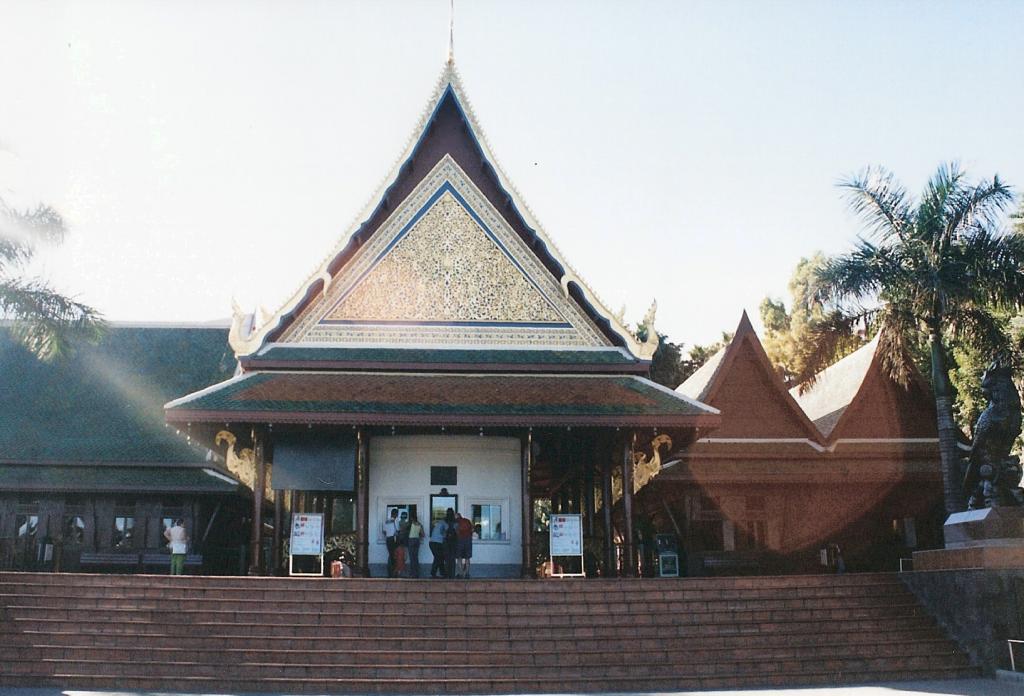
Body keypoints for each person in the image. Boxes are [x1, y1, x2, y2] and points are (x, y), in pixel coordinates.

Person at [454, 512, 474, 579]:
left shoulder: (456, 522)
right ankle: (467, 573)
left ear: (456, 516)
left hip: (459, 540)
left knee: (459, 558)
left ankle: (461, 573)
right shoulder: (467, 521)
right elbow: (472, 530)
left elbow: (456, 532)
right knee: (467, 558)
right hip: (468, 540)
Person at [406, 512, 424, 578]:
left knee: (411, 558)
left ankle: (412, 573)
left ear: (412, 519)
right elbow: (423, 534)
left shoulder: (410, 524)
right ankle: (417, 573)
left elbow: (405, 531)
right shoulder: (420, 524)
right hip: (417, 540)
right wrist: (417, 534)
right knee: (416, 557)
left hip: (411, 540)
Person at [383, 508, 399, 577]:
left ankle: (390, 572)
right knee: (393, 556)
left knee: (390, 554)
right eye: (397, 514)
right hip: (393, 539)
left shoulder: (386, 521)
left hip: (387, 539)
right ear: (395, 514)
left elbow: (384, 531)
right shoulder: (395, 521)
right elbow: (397, 531)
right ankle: (393, 572)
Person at [442, 508, 457, 579]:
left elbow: (442, 532)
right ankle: (452, 574)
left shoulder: (444, 521)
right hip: (454, 541)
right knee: (453, 558)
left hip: (446, 541)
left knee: (447, 558)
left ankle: (447, 574)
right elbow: (457, 532)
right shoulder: (455, 522)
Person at [395, 511, 409, 577]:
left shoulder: (398, 523)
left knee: (399, 556)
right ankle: (403, 571)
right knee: (404, 556)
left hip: (399, 541)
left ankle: (399, 571)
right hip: (405, 541)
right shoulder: (407, 524)